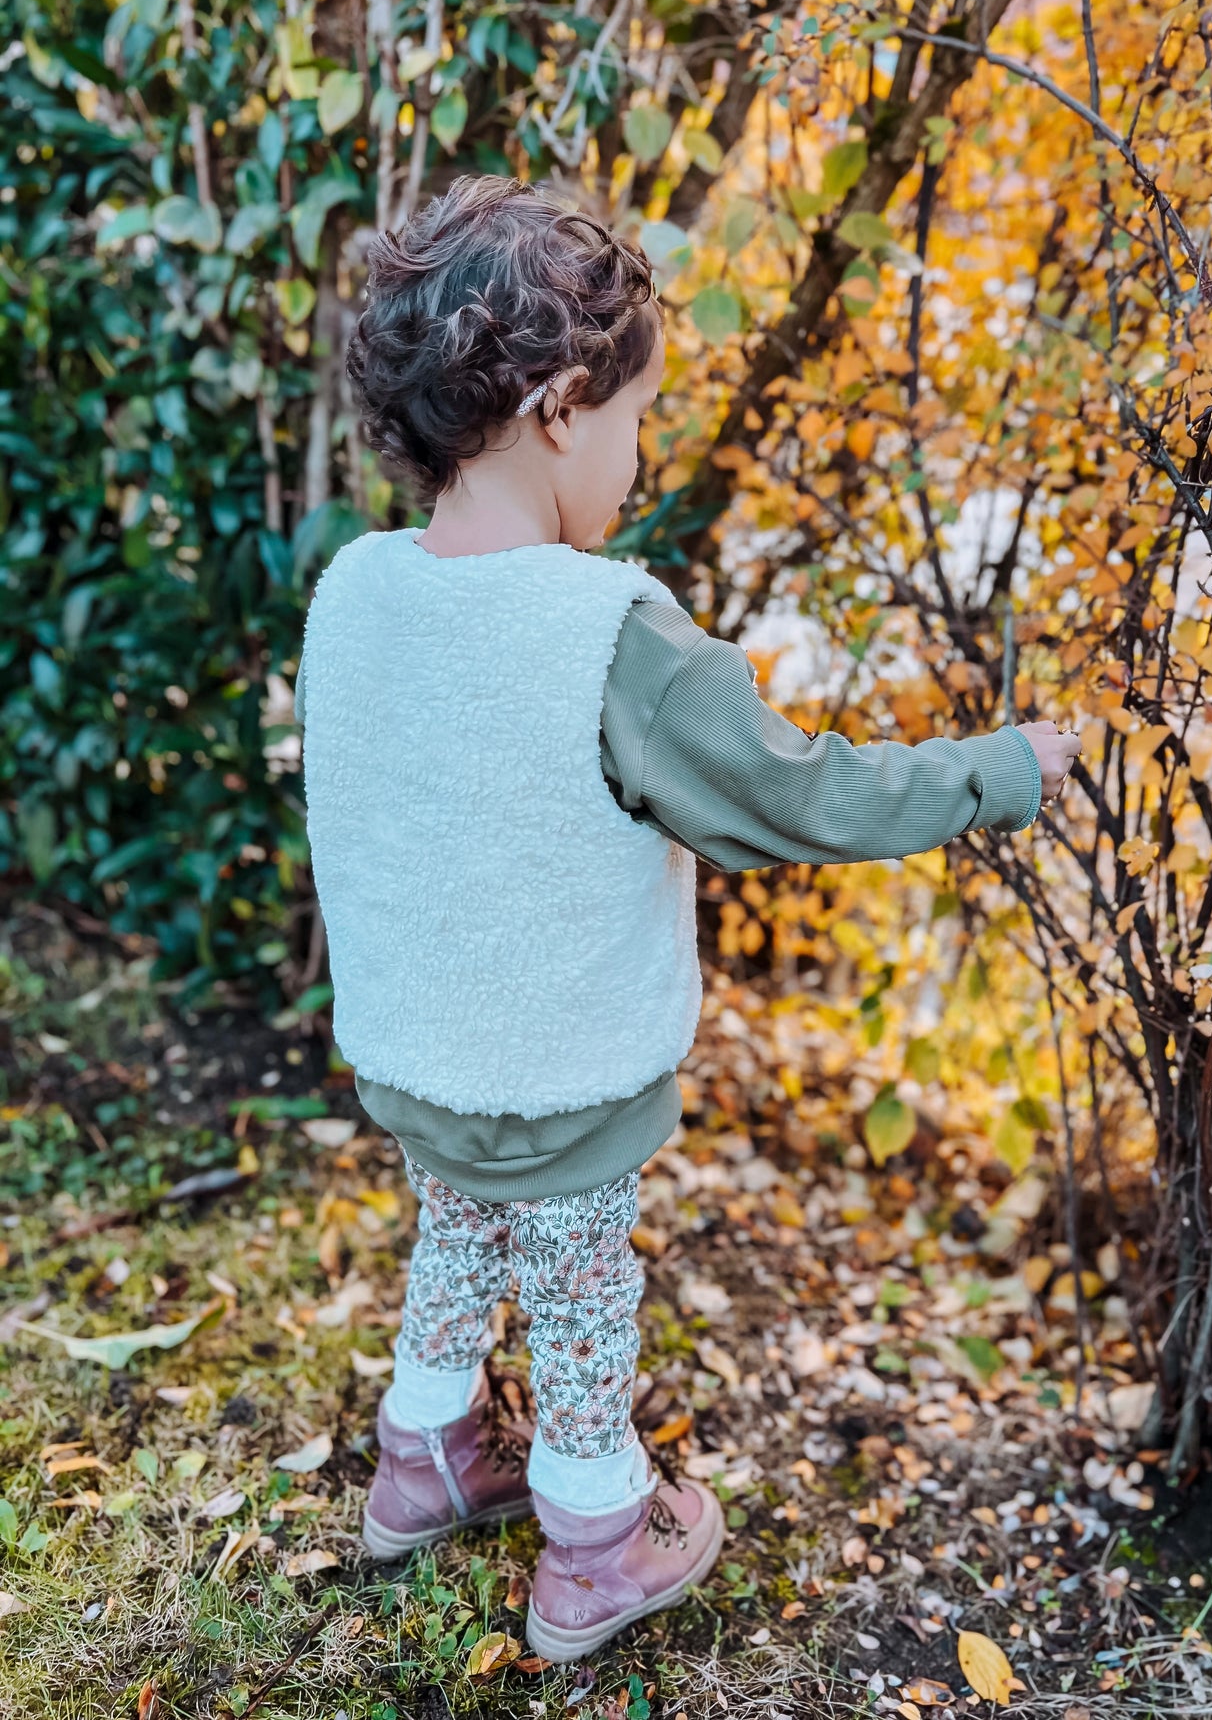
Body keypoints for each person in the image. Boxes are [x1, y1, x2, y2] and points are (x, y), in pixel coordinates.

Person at [296, 175, 1080, 1661]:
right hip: (564, 1080)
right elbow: (800, 797)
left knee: (457, 1229)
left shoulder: (356, 593)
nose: (639, 454)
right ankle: (596, 1537)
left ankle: (422, 1460)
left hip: (415, 1067)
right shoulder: (611, 636)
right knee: (580, 1286)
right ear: (558, 408)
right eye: (637, 417)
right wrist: (997, 769)